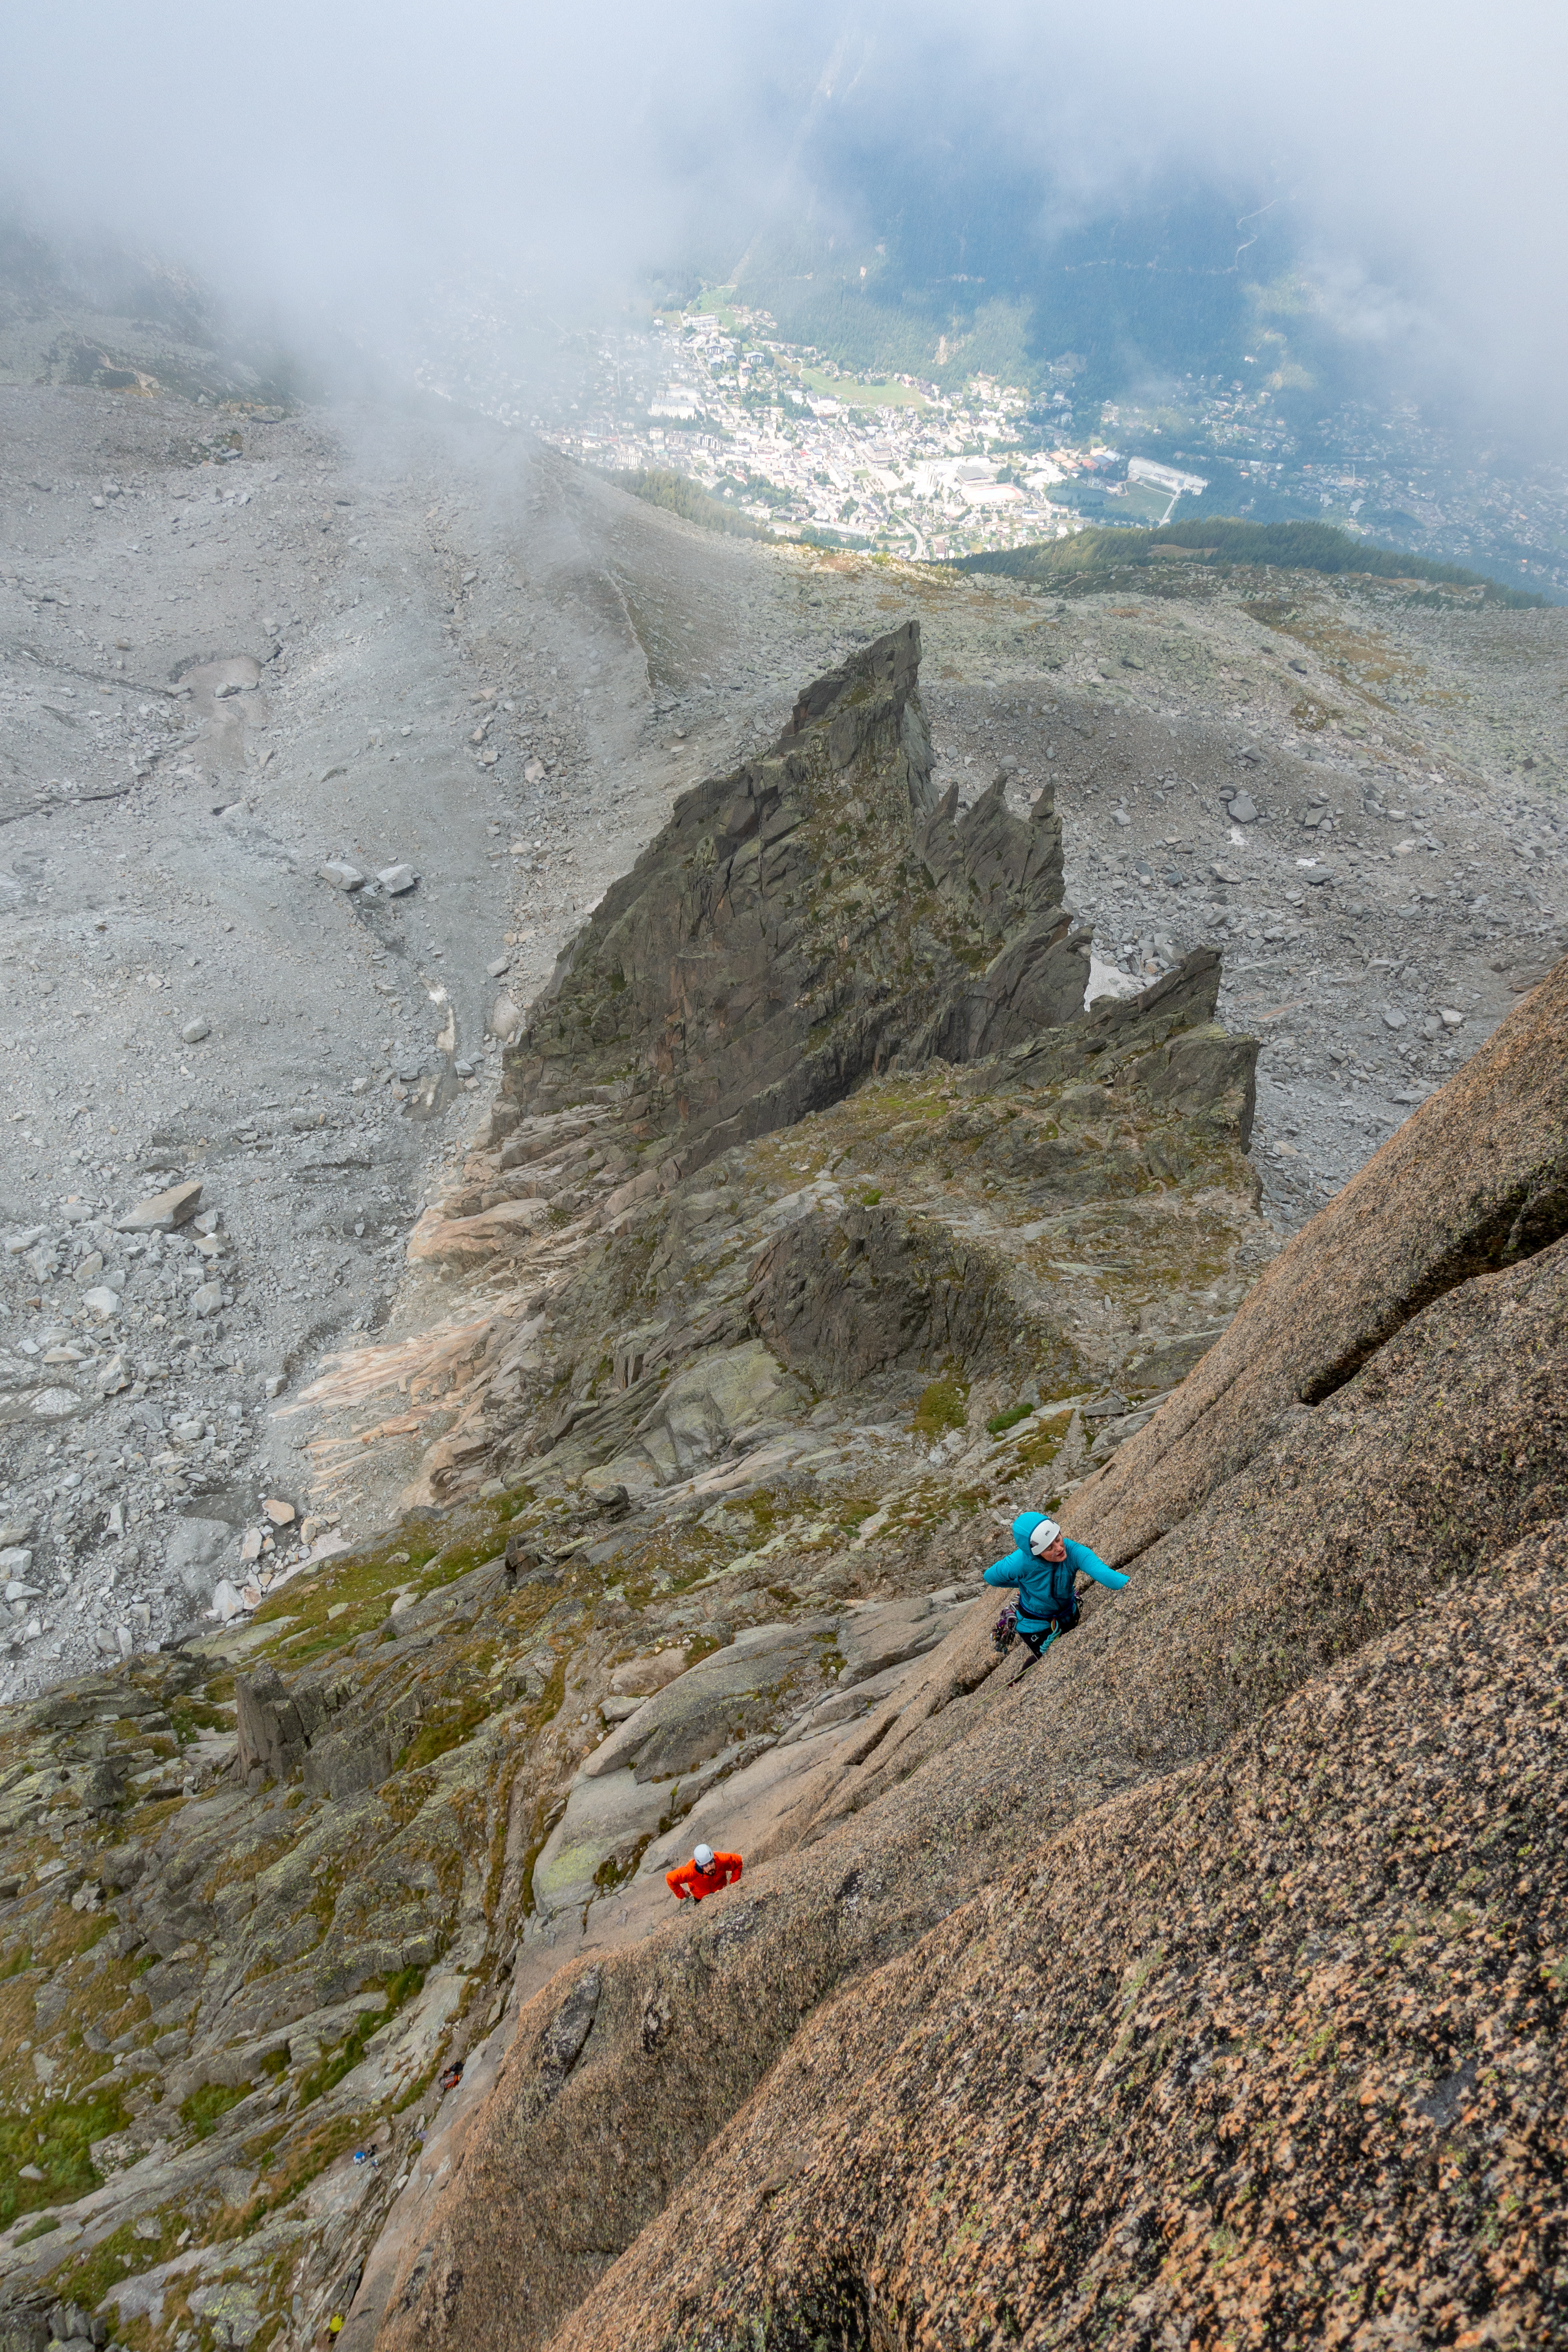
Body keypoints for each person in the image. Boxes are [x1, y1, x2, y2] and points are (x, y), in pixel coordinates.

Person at [984, 1510, 1128, 1669]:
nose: (1059, 1548)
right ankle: (1018, 1681)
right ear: (1035, 1552)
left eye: (1058, 1539)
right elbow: (991, 1577)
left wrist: (1133, 1584)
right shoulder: (1020, 1562)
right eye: (1049, 1548)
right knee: (1048, 1664)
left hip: (1068, 1613)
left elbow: (1105, 1574)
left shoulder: (1074, 1552)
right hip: (1035, 1626)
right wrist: (1024, 1584)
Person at [666, 1842, 743, 1902]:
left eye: (711, 1863)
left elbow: (738, 1862)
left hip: (721, 1892)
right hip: (701, 1899)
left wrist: (733, 1884)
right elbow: (670, 1878)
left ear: (713, 1859)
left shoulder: (721, 1860)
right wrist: (682, 1894)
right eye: (705, 1866)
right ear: (700, 1866)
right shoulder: (690, 1872)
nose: (710, 1868)